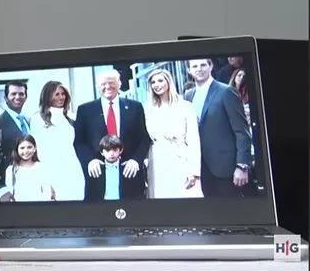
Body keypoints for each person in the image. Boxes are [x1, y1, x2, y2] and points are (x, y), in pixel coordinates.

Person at [75, 70, 151, 199]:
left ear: (119, 83)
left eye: (111, 82)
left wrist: (136, 161)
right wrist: (90, 161)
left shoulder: (135, 107)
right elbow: (79, 142)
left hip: (129, 174)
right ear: (97, 87)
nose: (108, 86)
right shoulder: (85, 110)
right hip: (98, 176)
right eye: (103, 84)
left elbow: (144, 139)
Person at [184, 59, 253, 197]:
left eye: (203, 65)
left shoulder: (226, 92)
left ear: (211, 66)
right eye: (195, 66)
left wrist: (242, 165)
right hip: (201, 169)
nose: (199, 69)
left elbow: (242, 132)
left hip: (226, 169)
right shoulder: (188, 96)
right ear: (189, 70)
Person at [142, 69, 202, 198]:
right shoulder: (147, 109)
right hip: (157, 161)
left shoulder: (185, 106)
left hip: (180, 159)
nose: (156, 85)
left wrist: (194, 171)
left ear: (168, 82)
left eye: (160, 80)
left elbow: (193, 140)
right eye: (153, 82)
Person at [28, 81, 85, 201]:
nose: (61, 97)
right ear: (48, 96)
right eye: (57, 94)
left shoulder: (71, 116)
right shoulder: (38, 118)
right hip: (52, 169)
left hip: (73, 167)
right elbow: (40, 150)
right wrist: (45, 180)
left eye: (63, 94)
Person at [0, 135, 55, 203]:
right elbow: (10, 192)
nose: (25, 151)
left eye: (29, 147)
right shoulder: (11, 170)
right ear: (17, 149)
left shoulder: (41, 167)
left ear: (35, 148)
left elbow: (47, 192)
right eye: (22, 148)